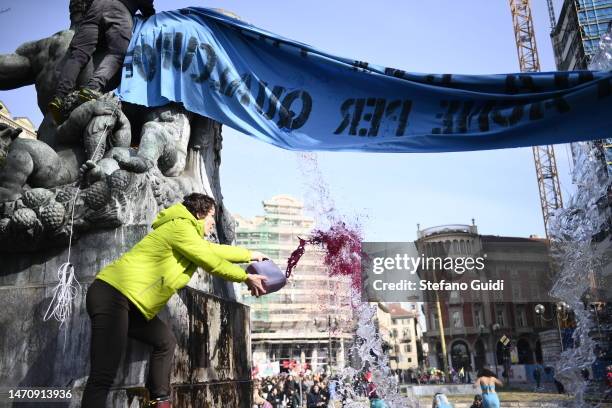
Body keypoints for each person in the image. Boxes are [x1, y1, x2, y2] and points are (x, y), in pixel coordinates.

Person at [81, 193, 268, 408]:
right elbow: (210, 261)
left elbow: (213, 250)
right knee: (103, 374)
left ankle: (160, 400)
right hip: (113, 294)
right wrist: (245, 277)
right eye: (210, 217)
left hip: (131, 305)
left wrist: (251, 254)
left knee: (165, 341)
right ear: (198, 213)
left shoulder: (189, 235)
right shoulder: (180, 227)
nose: (212, 224)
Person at [48, 0, 156, 124]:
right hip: (120, 11)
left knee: (78, 54)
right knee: (118, 53)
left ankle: (59, 97)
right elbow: (147, 8)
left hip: (95, 7)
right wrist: (151, 15)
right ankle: (92, 87)